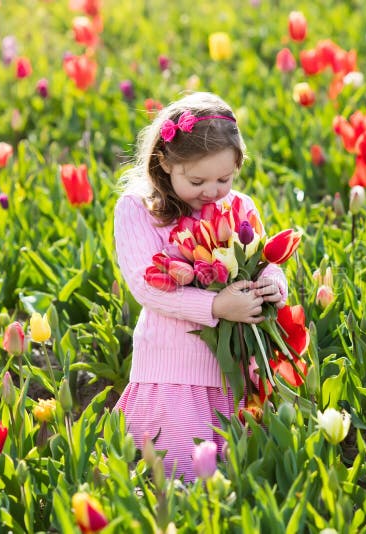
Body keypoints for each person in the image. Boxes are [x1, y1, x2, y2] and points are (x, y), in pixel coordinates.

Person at [113, 92, 288, 482]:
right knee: (179, 476)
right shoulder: (138, 209)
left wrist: (273, 286)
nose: (211, 191)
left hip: (234, 370)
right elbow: (149, 288)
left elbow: (263, 260)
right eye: (197, 180)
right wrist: (216, 308)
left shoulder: (238, 207)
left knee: (239, 475)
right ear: (164, 162)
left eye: (224, 179)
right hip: (174, 368)